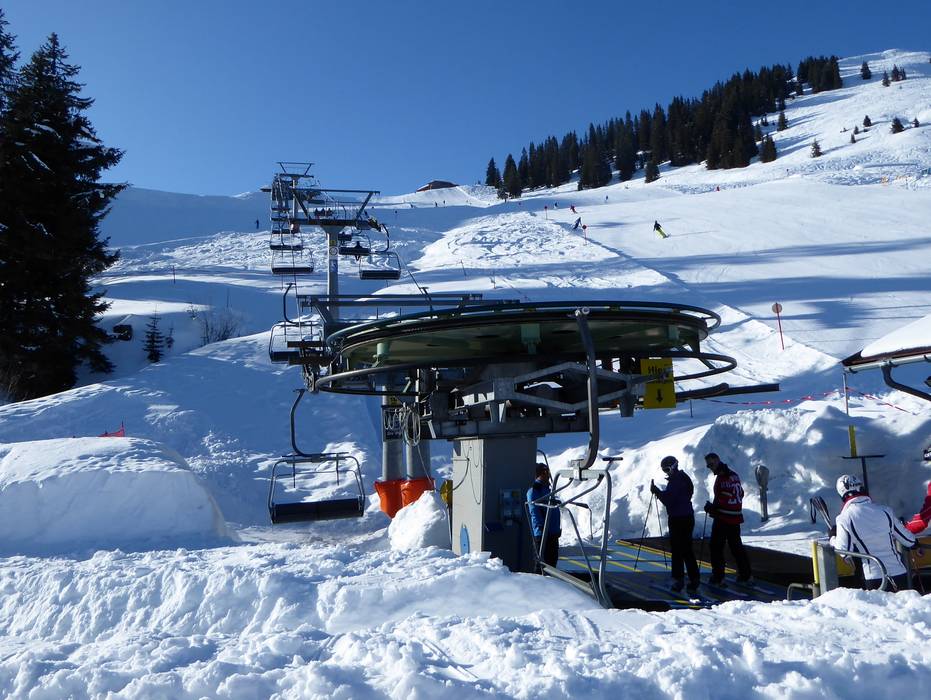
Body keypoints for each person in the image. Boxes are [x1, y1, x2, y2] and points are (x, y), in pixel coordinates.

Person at [831, 474, 916, 590]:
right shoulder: (885, 511)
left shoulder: (844, 518)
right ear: (862, 488)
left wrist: (832, 538)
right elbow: (909, 541)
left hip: (874, 576)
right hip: (899, 573)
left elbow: (844, 551)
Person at [651, 456, 700, 593]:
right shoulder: (683, 477)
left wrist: (657, 492)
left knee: (678, 550)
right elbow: (683, 494)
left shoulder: (676, 480)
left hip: (678, 518)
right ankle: (694, 578)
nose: (666, 472)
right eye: (664, 470)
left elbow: (669, 500)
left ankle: (678, 579)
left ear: (673, 466)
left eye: (667, 469)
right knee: (687, 549)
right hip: (687, 516)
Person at [703, 452, 752, 585]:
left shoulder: (722, 478)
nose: (710, 467)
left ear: (718, 460)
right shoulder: (734, 475)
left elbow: (723, 499)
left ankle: (718, 577)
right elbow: (740, 493)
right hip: (736, 516)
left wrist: (711, 508)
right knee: (736, 547)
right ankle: (746, 575)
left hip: (724, 517)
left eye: (711, 464)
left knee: (716, 547)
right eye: (708, 466)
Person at [527, 463, 561, 569]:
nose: (548, 475)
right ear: (539, 474)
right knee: (542, 562)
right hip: (543, 533)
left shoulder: (548, 489)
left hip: (553, 532)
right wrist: (541, 527)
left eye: (548, 472)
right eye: (545, 472)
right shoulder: (534, 490)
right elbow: (534, 510)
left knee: (552, 561)